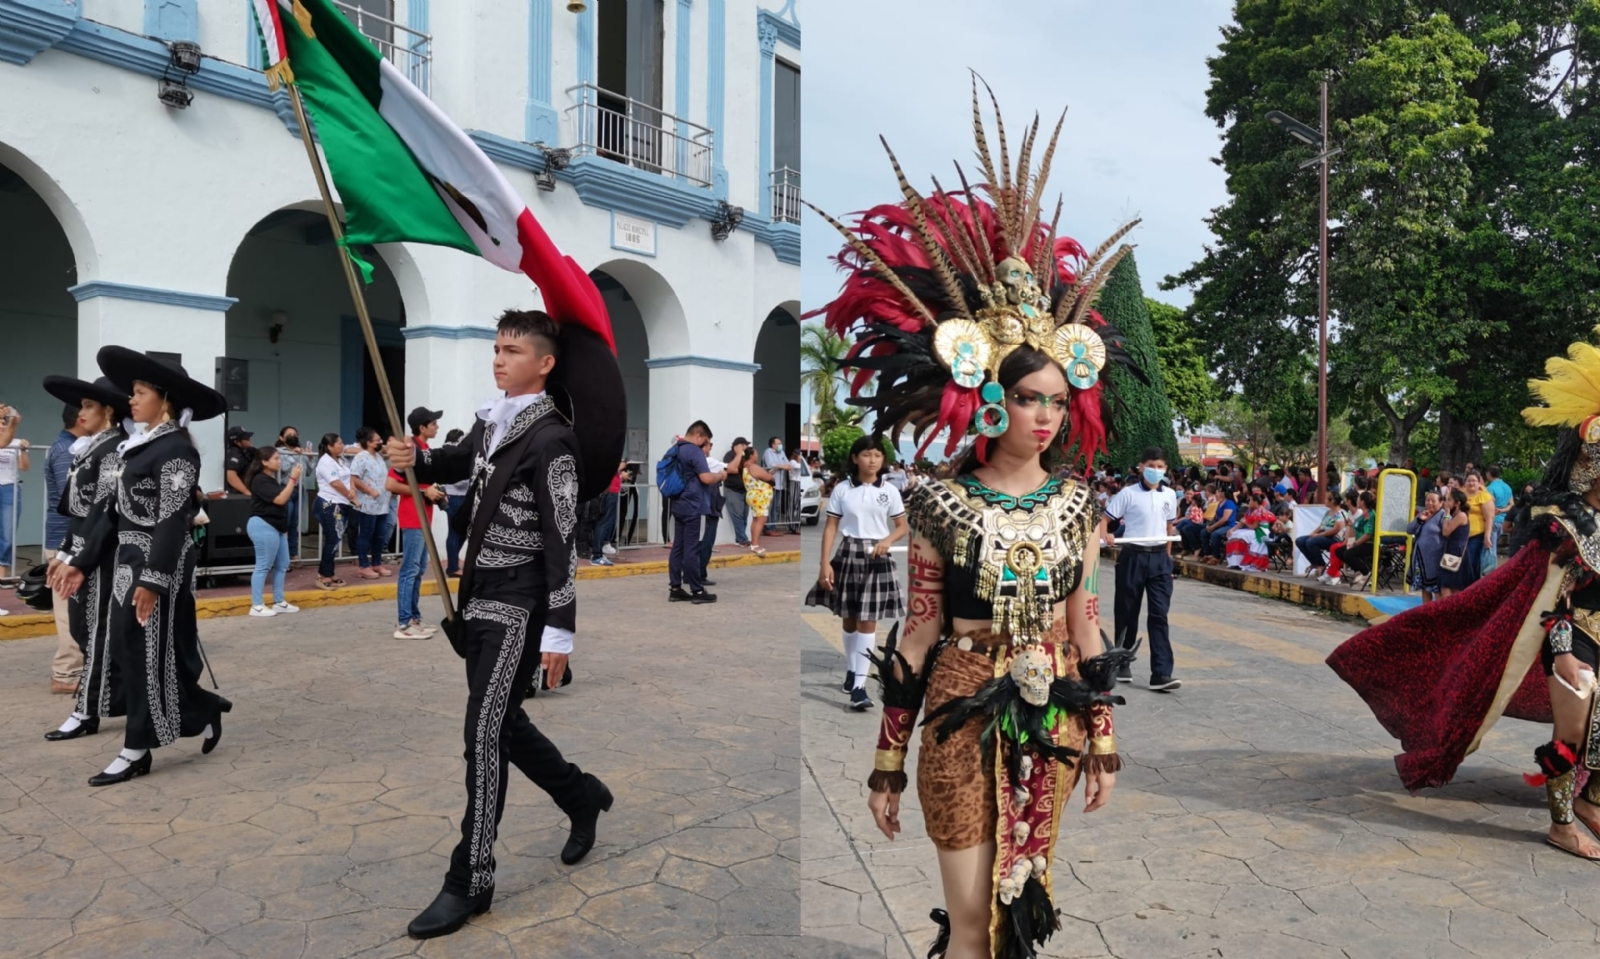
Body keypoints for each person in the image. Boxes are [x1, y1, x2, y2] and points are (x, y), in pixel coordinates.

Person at [815, 94, 1141, 959]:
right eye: (1029, 398)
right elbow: (916, 633)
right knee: (968, 919)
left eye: (1057, 401)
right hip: (959, 705)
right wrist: (887, 758)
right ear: (989, 398)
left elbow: (1085, 620)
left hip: (1054, 718)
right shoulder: (935, 502)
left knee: (1024, 910)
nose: (1044, 416)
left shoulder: (1079, 505)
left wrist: (1103, 735)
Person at [387, 304, 622, 939]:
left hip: (520, 602)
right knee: (503, 725)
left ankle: (472, 877)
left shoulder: (553, 439)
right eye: (496, 347)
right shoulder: (491, 423)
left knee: (483, 736)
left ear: (544, 365)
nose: (498, 358)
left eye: (513, 351)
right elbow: (452, 465)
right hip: (478, 594)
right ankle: (580, 795)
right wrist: (413, 455)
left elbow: (561, 536)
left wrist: (560, 629)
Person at [1328, 334, 1600, 861]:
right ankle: (1562, 824)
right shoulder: (1561, 527)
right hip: (1572, 640)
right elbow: (1551, 600)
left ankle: (1590, 801)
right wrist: (1563, 652)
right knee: (1572, 728)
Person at [82, 347, 232, 786]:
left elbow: (171, 517)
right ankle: (201, 709)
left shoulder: (177, 451)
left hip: (157, 562)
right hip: (127, 559)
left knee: (147, 650)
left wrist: (154, 578)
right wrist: (81, 561)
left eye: (141, 391)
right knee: (130, 648)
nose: (132, 399)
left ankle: (136, 749)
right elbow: (112, 512)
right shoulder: (139, 446)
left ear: (164, 399)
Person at [41, 376, 129, 741]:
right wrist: (63, 553)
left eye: (89, 405)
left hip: (105, 559)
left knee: (96, 633)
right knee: (83, 629)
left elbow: (104, 514)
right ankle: (121, 699)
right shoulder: (92, 447)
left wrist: (80, 560)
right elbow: (78, 514)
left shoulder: (116, 449)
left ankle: (86, 709)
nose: (82, 412)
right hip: (84, 552)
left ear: (108, 410)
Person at [805, 434, 910, 710]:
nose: (872, 460)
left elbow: (902, 526)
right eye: (866, 454)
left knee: (868, 621)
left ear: (883, 459)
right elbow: (830, 527)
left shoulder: (890, 490)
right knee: (849, 619)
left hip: (878, 559)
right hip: (848, 554)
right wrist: (824, 563)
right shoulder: (842, 489)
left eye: (877, 455)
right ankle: (852, 671)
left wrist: (886, 541)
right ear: (855, 458)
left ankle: (860, 688)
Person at [1106, 447, 1181, 690]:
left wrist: (1168, 560)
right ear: (1141, 466)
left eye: (1160, 467)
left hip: (1159, 558)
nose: (1155, 471)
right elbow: (1104, 520)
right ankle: (1122, 661)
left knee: (1159, 614)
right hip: (1133, 556)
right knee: (1127, 611)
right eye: (1151, 465)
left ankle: (1161, 673)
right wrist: (1105, 535)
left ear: (1166, 470)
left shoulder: (1169, 495)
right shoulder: (1127, 494)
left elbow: (1169, 528)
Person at [388, 407, 446, 638]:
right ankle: (404, 624)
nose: (437, 427)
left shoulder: (423, 449)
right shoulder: (409, 449)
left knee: (419, 569)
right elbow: (391, 485)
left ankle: (414, 618)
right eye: (433, 423)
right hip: (413, 517)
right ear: (422, 427)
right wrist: (424, 493)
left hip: (423, 517)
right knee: (410, 570)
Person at [44, 402, 85, 693]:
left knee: (75, 608)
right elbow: (70, 501)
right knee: (68, 610)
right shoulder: (65, 452)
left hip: (69, 541)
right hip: (65, 542)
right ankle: (66, 674)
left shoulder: (69, 447)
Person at [665, 421, 721, 603]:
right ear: (699, 436)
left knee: (678, 548)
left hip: (678, 504)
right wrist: (721, 475)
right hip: (693, 506)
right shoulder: (694, 451)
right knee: (691, 549)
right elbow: (706, 478)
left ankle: (675, 588)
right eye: (705, 441)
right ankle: (697, 591)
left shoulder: (676, 448)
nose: (705, 446)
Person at [243, 446, 300, 617]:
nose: (279, 461)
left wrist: (283, 530)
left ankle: (279, 601)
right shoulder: (260, 480)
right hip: (263, 525)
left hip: (277, 528)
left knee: (282, 565)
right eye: (276, 458)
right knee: (263, 566)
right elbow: (281, 500)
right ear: (264, 462)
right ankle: (257, 604)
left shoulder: (270, 480)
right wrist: (293, 479)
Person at [313, 433, 356, 589]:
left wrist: (352, 490)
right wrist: (350, 494)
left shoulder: (341, 460)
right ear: (330, 446)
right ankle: (323, 574)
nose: (342, 445)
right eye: (339, 443)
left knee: (337, 538)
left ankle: (329, 572)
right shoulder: (325, 462)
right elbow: (335, 483)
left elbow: (349, 477)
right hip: (328, 503)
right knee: (333, 537)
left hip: (341, 503)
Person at [349, 427, 392, 579]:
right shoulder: (361, 457)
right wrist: (370, 491)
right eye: (377, 440)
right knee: (366, 534)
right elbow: (355, 478)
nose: (381, 442)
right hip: (368, 502)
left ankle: (376, 562)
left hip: (382, 503)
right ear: (368, 443)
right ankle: (363, 565)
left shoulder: (378, 457)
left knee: (380, 535)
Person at [0, 402, 30, 581]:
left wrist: (23, 450)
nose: (2, 425)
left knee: (7, 534)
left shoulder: (17, 442)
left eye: (4, 422)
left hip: (10, 488)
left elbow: (25, 467)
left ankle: (2, 579)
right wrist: (13, 423)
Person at [276, 426, 310, 559]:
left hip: (299, 489)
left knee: (295, 523)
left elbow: (307, 472)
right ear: (281, 438)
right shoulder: (279, 451)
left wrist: (308, 457)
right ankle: (282, 555)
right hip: (285, 488)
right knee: (285, 521)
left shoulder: (300, 452)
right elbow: (283, 468)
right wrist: (294, 454)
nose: (293, 436)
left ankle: (293, 554)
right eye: (289, 434)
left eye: (295, 434)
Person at [440, 428, 471, 577]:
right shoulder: (452, 454)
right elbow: (457, 479)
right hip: (455, 496)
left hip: (462, 496)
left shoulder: (450, 453)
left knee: (462, 531)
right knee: (454, 532)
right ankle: (453, 567)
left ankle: (453, 560)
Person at [737, 444, 776, 557]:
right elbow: (768, 478)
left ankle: (754, 544)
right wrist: (771, 475)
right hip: (759, 497)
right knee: (761, 520)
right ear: (751, 455)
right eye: (756, 453)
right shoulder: (752, 466)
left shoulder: (744, 467)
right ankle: (755, 544)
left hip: (754, 496)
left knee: (756, 520)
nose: (757, 455)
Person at [1407, 490, 1446, 602]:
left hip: (1435, 559)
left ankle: (1439, 616)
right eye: (1427, 500)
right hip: (1420, 558)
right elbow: (1409, 530)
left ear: (1441, 503)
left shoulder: (1442, 515)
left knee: (1436, 589)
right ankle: (1426, 614)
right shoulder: (1422, 514)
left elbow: (1447, 532)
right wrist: (1419, 519)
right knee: (1425, 588)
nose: (1429, 503)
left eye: (1433, 501)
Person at [697, 439, 726, 586]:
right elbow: (731, 469)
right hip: (708, 508)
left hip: (707, 506)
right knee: (705, 542)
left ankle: (692, 574)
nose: (711, 448)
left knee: (699, 542)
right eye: (709, 445)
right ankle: (699, 575)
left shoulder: (696, 461)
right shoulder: (707, 461)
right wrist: (740, 454)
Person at [1224, 490, 1276, 572]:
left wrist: (1245, 522)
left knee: (1240, 536)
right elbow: (1241, 522)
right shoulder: (1250, 511)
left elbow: (1253, 526)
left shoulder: (1260, 512)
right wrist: (1232, 530)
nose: (1249, 502)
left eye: (1251, 500)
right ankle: (1235, 562)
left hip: (1260, 532)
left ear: (1255, 502)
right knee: (1234, 534)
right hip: (1253, 530)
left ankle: (1243, 562)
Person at [1435, 488, 1473, 598]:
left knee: (1448, 586)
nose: (1446, 503)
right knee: (1449, 585)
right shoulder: (1457, 515)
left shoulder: (1461, 515)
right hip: (1452, 551)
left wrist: (1446, 514)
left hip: (1456, 553)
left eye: (1449, 500)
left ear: (1457, 503)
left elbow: (1446, 532)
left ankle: (1449, 611)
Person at [1462, 470, 1496, 586]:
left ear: (1479, 483)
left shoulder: (1484, 496)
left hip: (1476, 536)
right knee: (1461, 565)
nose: (1471, 483)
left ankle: (1471, 590)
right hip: (1461, 536)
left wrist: (1487, 536)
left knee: (1471, 564)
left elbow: (1489, 517)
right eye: (1469, 481)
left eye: (1474, 481)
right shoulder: (1462, 495)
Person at [590, 459, 625, 567]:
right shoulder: (606, 457)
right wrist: (621, 467)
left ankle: (601, 549)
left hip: (612, 491)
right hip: (608, 492)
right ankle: (596, 555)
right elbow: (606, 471)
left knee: (608, 522)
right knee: (603, 523)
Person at [722, 438, 752, 548]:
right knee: (737, 516)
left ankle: (740, 539)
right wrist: (742, 468)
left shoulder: (745, 456)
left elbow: (750, 468)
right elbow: (729, 469)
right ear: (737, 445)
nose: (746, 447)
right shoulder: (729, 455)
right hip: (733, 490)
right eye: (744, 445)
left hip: (745, 491)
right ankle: (743, 539)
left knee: (744, 516)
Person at [1485, 465, 1514, 575]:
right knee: (1494, 547)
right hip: (1503, 520)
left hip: (1492, 521)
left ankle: (1490, 573)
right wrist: (1502, 510)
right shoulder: (1507, 487)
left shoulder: (1490, 488)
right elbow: (1512, 505)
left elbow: (1488, 507)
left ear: (1488, 473)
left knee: (1490, 548)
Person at [761, 437, 793, 534]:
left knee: (776, 507)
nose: (780, 445)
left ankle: (773, 527)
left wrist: (779, 466)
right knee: (769, 506)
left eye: (780, 443)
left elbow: (788, 465)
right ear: (773, 445)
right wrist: (781, 466)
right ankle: (768, 528)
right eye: (778, 443)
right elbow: (771, 464)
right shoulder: (768, 452)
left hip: (779, 484)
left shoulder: (781, 453)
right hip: (770, 483)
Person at [1201, 484, 1238, 564]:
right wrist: (1210, 524)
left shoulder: (1229, 503)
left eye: (1219, 491)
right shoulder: (1220, 503)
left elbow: (1224, 519)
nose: (1217, 493)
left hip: (1228, 526)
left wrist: (1213, 527)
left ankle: (1216, 556)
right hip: (1219, 525)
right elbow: (1216, 517)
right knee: (1204, 532)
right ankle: (1207, 554)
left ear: (1223, 493)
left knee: (1215, 534)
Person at [223, 426, 254, 496]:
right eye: (246, 438)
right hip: (236, 495)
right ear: (236, 442)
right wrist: (246, 492)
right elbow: (230, 475)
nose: (249, 440)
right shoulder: (234, 454)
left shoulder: (245, 451)